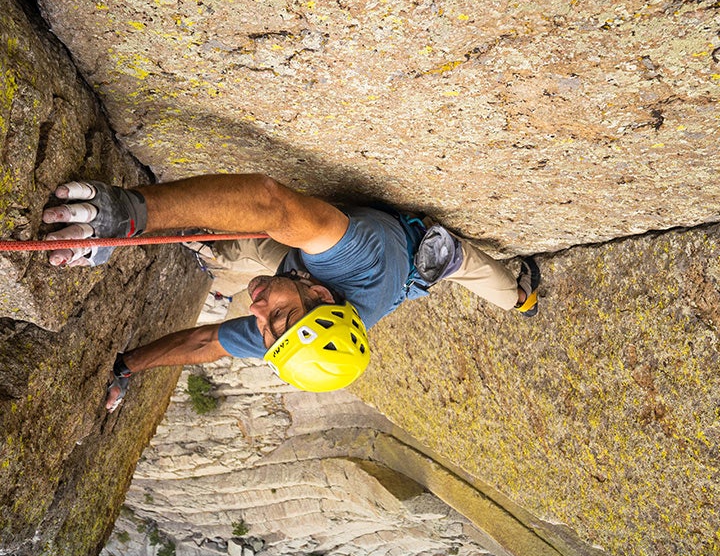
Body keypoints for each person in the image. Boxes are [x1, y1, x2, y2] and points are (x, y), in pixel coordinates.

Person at [41, 173, 540, 410]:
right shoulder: (356, 259)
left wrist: (127, 367)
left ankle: (522, 301)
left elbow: (206, 343)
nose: (256, 309)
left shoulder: (293, 332)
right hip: (411, 253)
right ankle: (524, 299)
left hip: (351, 274)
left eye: (267, 326)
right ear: (322, 298)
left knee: (240, 253)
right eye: (275, 315)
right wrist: (133, 211)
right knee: (479, 272)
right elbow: (270, 204)